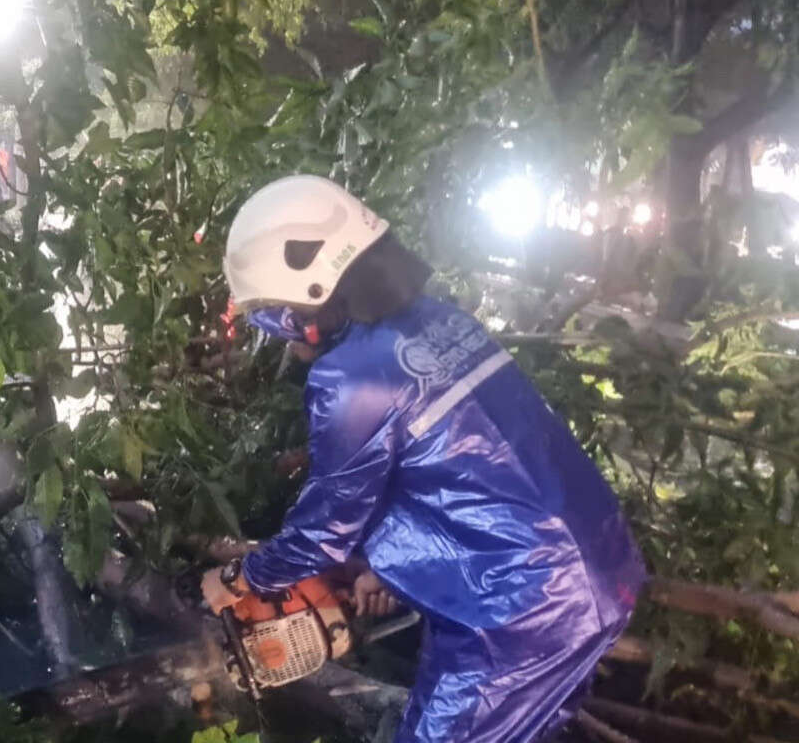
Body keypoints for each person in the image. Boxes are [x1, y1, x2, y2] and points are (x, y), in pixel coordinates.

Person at [201, 175, 646, 743]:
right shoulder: (441, 321)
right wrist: (374, 568)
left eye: (277, 317)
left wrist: (241, 576)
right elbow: (459, 472)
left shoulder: (348, 379)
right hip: (600, 564)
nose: (283, 338)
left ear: (310, 295)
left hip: (518, 611)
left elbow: (323, 533)